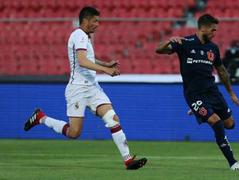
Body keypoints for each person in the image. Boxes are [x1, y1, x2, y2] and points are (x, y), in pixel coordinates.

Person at [24, 6, 147, 170]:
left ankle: (128, 160)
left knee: (112, 118)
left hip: (92, 87)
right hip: (78, 89)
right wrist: (106, 70)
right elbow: (82, 61)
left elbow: (87, 57)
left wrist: (105, 63)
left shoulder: (84, 37)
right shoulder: (79, 35)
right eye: (95, 20)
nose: (98, 24)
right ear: (86, 20)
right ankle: (41, 118)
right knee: (74, 133)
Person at [155, 14, 239, 171]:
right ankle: (233, 163)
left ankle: (200, 111)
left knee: (230, 124)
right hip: (194, 95)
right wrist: (170, 40)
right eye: (212, 30)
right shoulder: (185, 43)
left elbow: (222, 71)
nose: (214, 33)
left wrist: (231, 93)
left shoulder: (213, 48)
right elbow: (159, 49)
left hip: (212, 92)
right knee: (216, 122)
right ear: (203, 27)